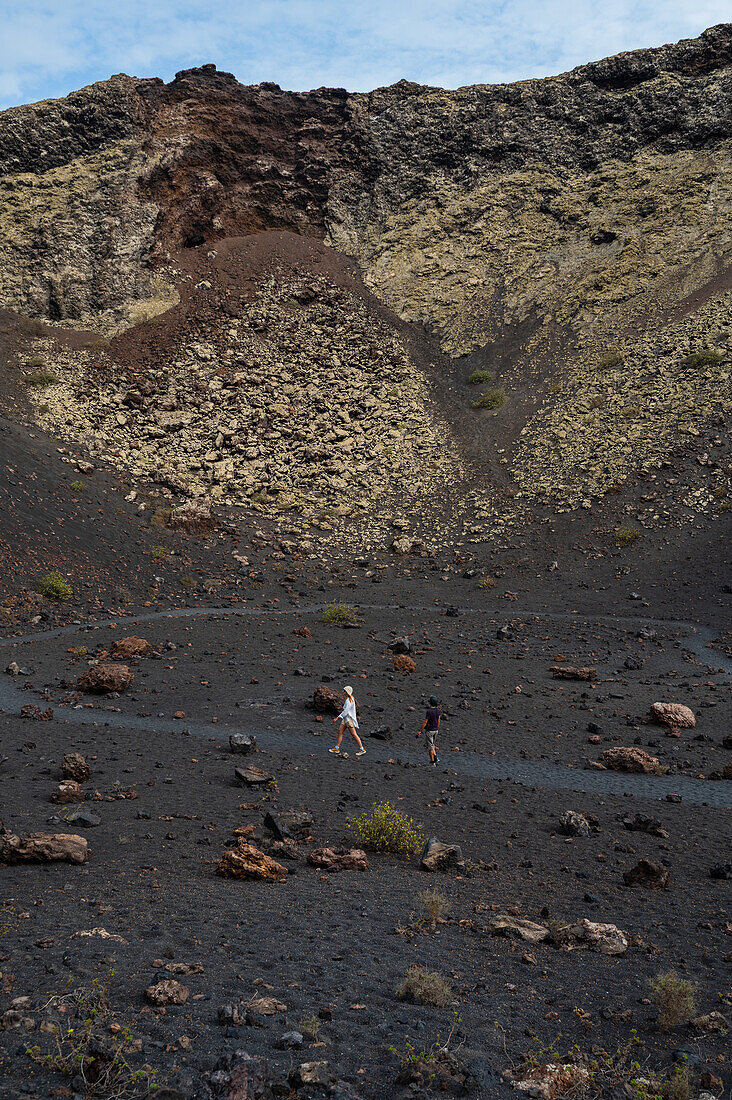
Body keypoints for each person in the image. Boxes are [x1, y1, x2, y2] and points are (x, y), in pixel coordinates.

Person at [329, 686, 366, 757]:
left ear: (347, 692)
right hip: (345, 720)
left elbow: (345, 711)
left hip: (348, 720)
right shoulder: (351, 698)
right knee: (340, 731)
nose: (343, 692)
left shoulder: (349, 701)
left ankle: (362, 749)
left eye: (344, 691)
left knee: (354, 734)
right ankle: (336, 748)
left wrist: (337, 717)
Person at [417, 695, 441, 765]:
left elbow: (425, 722)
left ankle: (433, 761)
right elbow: (438, 720)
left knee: (430, 747)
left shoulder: (429, 711)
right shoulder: (438, 710)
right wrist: (437, 727)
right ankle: (436, 758)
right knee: (432, 745)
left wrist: (420, 730)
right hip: (436, 730)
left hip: (430, 730)